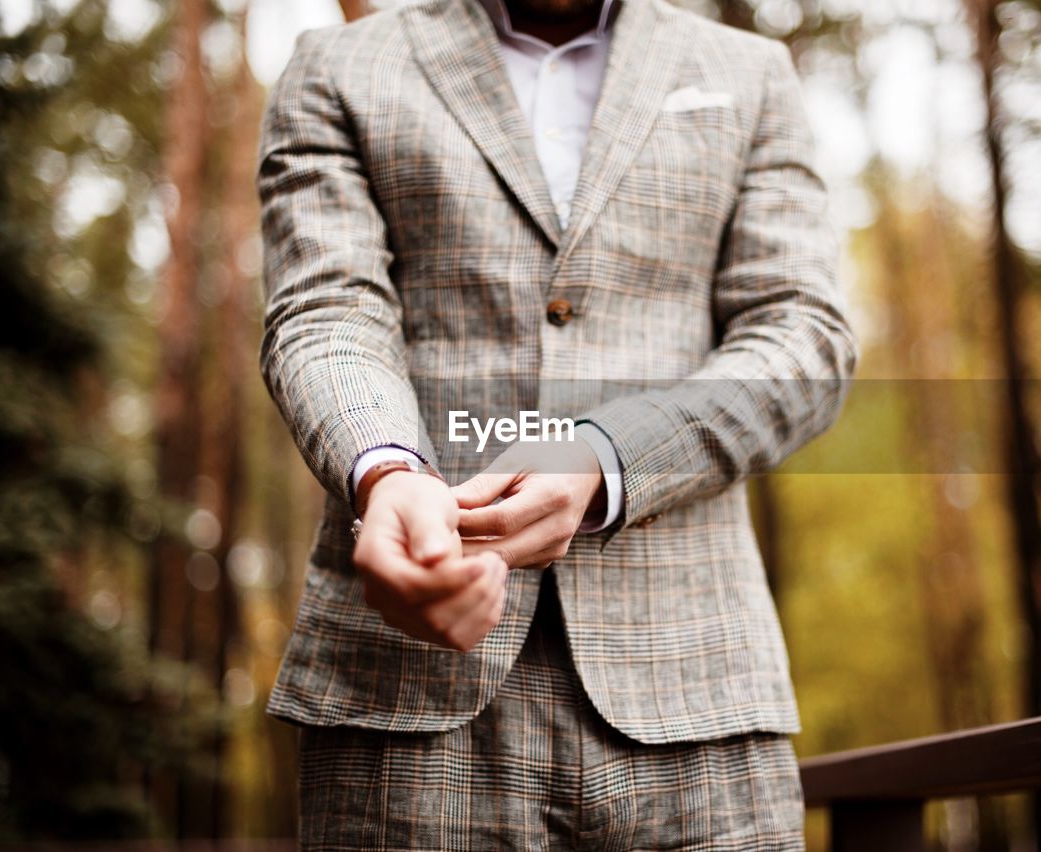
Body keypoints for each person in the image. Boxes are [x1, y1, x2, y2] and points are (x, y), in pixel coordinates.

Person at [255, 0, 858, 846]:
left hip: (702, 694)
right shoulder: (336, 66)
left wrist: (607, 457)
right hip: (402, 699)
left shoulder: (750, 73)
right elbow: (326, 311)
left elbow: (806, 339)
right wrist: (387, 471)